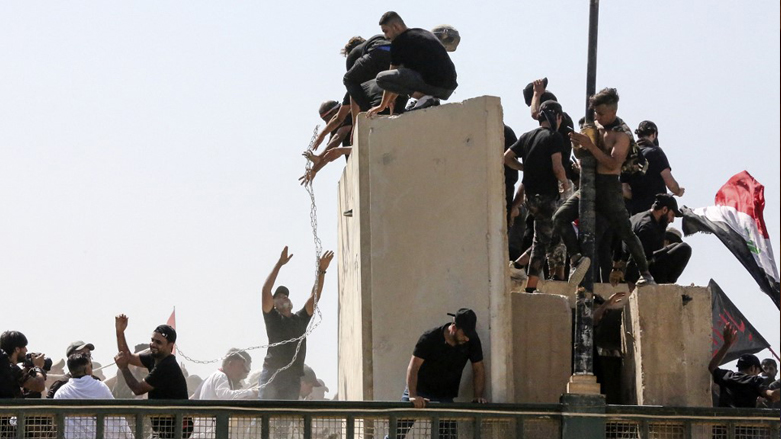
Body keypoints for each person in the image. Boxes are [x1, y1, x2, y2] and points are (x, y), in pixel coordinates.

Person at [554, 87, 655, 286]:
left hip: (609, 188)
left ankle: (646, 273)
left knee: (626, 232)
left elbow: (612, 163)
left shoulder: (621, 135)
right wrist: (577, 144)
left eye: (601, 113)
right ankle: (576, 259)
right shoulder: (594, 125)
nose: (598, 117)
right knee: (559, 218)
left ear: (613, 112)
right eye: (596, 113)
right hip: (588, 184)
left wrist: (590, 145)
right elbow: (585, 156)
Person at [504, 100, 572, 293]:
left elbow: (506, 158)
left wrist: (525, 167)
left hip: (531, 198)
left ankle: (518, 265)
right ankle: (530, 286)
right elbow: (558, 167)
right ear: (558, 117)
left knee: (550, 237)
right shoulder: (554, 137)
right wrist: (566, 185)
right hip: (547, 197)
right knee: (543, 242)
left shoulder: (527, 136)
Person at [392, 309, 487, 439]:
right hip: (420, 389)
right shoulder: (430, 337)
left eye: (470, 334)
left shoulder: (472, 340)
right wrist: (413, 396)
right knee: (396, 432)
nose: (467, 338)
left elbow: (478, 368)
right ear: (453, 328)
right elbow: (413, 367)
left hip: (445, 396)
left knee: (448, 435)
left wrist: (478, 396)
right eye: (464, 333)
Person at [259, 246, 334, 400]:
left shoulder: (300, 319)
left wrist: (321, 271)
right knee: (265, 416)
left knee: (286, 418)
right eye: (279, 296)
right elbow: (265, 290)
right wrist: (279, 264)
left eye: (286, 295)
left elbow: (315, 296)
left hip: (293, 378)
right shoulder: (273, 318)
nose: (284, 297)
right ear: (273, 303)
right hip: (272, 374)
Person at [114, 315, 190, 438]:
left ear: (170, 346)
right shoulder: (154, 357)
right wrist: (120, 332)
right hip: (162, 428)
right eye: (152, 340)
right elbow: (128, 357)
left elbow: (138, 389)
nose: (153, 344)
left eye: (158, 342)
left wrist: (123, 368)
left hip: (176, 429)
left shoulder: (168, 365)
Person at [368, 11, 457, 115]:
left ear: (395, 27)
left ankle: (424, 98)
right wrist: (391, 99)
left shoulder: (399, 42)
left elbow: (391, 75)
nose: (386, 36)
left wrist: (382, 106)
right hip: (448, 87)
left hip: (434, 85)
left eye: (386, 31)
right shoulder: (422, 33)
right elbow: (400, 79)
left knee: (381, 78)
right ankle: (429, 99)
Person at [610, 194, 691, 287]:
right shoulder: (648, 228)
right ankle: (665, 286)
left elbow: (619, 238)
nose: (672, 220)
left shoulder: (639, 217)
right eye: (672, 215)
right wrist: (631, 282)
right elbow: (635, 256)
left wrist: (615, 267)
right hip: (640, 273)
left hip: (634, 266)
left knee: (676, 246)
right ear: (664, 210)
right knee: (685, 249)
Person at [54, 354, 132, 439]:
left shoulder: (61, 392)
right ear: (88, 369)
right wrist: (130, 436)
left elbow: (56, 423)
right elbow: (117, 417)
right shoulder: (100, 387)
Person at [709, 322, 780, 407]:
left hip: (724, 419)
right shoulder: (755, 381)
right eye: (758, 370)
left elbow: (712, 366)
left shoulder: (726, 375)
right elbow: (773, 396)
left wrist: (727, 344)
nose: (758, 373)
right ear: (753, 368)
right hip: (745, 420)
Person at [622, 121, 685, 215]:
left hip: (635, 214)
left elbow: (624, 189)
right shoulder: (655, 152)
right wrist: (678, 191)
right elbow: (670, 184)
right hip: (655, 212)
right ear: (654, 134)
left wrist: (638, 198)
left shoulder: (628, 155)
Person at [0, 331, 46, 399]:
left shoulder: (5, 367)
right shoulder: (10, 368)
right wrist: (38, 367)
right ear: (17, 349)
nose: (26, 350)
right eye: (24, 347)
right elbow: (39, 386)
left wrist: (27, 369)